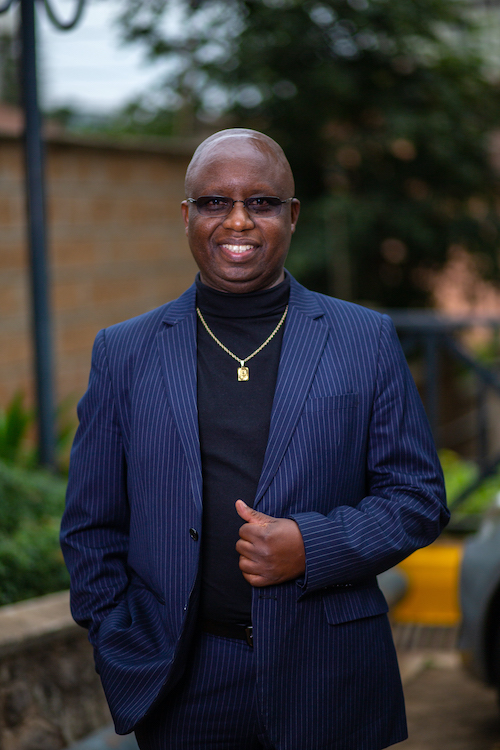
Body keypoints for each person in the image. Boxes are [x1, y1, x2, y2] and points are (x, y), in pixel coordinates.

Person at [60, 128, 448, 750]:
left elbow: (417, 498)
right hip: (183, 682)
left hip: (330, 674)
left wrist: (310, 546)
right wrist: (117, 640)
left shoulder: (364, 339)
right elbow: (90, 526)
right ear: (187, 216)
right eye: (215, 202)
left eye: (261, 203)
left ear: (291, 216)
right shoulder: (124, 352)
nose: (237, 221)